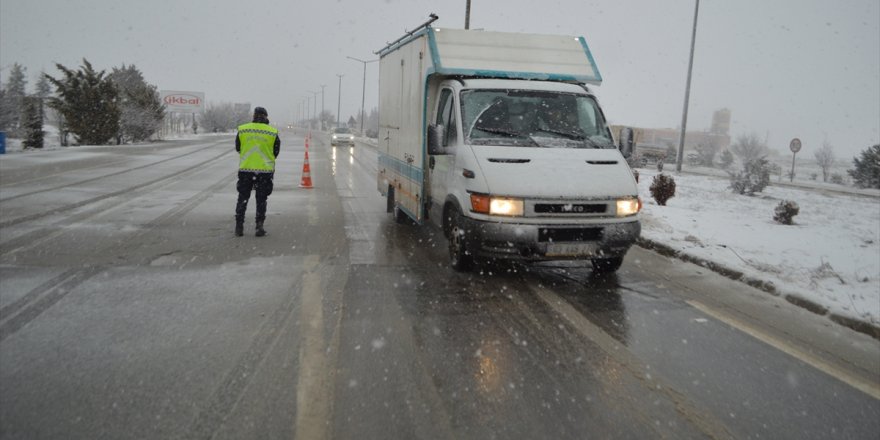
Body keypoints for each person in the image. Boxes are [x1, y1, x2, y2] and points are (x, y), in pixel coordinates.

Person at [234, 106, 280, 237]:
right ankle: (259, 226)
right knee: (261, 199)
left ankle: (239, 226)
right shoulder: (272, 132)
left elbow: (238, 147)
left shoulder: (243, 129)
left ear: (253, 116)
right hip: (265, 172)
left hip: (246, 170)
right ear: (266, 117)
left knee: (243, 198)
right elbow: (276, 151)